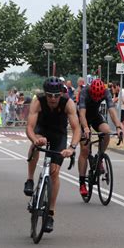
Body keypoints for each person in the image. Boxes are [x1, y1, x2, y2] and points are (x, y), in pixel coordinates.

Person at [23, 77, 81, 233]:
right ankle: (29, 179)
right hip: (42, 129)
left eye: (56, 95)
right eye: (49, 95)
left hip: (59, 134)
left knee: (55, 172)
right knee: (34, 146)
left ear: (61, 93)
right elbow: (29, 127)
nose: (53, 99)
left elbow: (76, 129)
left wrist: (72, 147)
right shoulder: (38, 101)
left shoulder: (67, 103)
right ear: (45, 94)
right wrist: (35, 139)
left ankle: (50, 213)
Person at [77, 79, 123, 196]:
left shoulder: (106, 92)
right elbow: (81, 113)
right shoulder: (84, 92)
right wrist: (86, 128)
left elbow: (112, 110)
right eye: (95, 96)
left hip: (95, 116)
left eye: (99, 97)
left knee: (106, 131)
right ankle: (82, 183)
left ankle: (100, 157)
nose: (97, 99)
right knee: (85, 149)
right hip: (83, 119)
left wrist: (118, 127)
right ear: (91, 91)